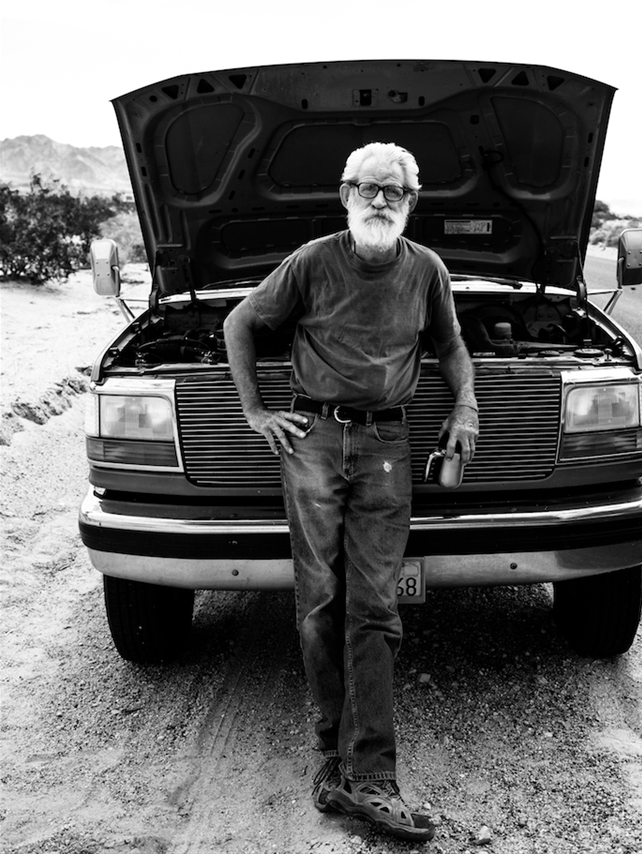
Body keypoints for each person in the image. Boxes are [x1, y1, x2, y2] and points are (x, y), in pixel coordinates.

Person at [223, 142, 478, 843]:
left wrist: (465, 408)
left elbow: (451, 346)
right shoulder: (312, 260)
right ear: (345, 194)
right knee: (319, 603)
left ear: (411, 203)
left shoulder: (426, 269)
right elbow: (239, 322)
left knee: (374, 606)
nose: (379, 201)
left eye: (393, 192)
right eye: (367, 188)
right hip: (313, 443)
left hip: (388, 448)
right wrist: (253, 411)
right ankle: (331, 760)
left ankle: (370, 776)